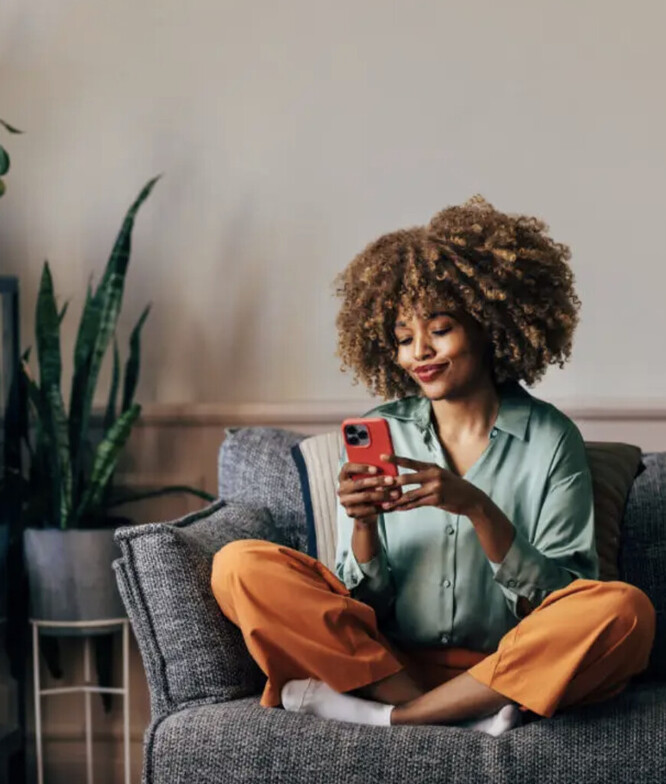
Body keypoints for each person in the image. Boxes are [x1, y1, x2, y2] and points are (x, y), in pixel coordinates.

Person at [210, 195, 656, 734]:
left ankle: (402, 718)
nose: (418, 352)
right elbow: (356, 605)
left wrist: (476, 507)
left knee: (624, 611)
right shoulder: (383, 430)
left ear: (489, 326)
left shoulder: (550, 439)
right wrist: (363, 526)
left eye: (439, 329)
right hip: (388, 663)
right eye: (403, 338)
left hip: (506, 666)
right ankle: (447, 714)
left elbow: (565, 597)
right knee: (239, 565)